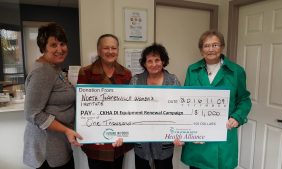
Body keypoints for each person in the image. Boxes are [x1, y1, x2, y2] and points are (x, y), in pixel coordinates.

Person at [180, 30, 252, 169]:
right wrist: (186, 131)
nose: (211, 49)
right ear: (201, 50)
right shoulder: (192, 69)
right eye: (206, 46)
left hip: (223, 136)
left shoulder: (236, 71)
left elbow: (244, 99)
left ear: (222, 47)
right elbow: (185, 101)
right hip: (198, 138)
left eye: (215, 45)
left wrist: (237, 117)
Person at [23, 23, 82, 169]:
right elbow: (33, 114)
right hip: (47, 150)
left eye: (62, 44)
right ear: (44, 48)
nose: (60, 49)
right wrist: (66, 130)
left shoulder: (54, 68)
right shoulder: (42, 72)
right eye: (53, 45)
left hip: (59, 145)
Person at [77, 34, 132, 169]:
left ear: (118, 50)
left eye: (114, 48)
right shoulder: (86, 72)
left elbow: (129, 106)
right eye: (106, 48)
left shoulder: (126, 74)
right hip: (96, 140)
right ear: (98, 50)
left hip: (118, 139)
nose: (110, 51)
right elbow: (81, 107)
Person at [130, 43, 181, 169]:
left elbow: (180, 109)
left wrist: (179, 132)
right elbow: (129, 107)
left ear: (163, 61)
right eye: (149, 61)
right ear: (144, 64)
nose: (154, 64)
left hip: (165, 140)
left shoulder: (172, 80)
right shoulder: (136, 80)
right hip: (141, 139)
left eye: (157, 60)